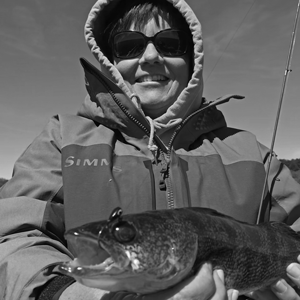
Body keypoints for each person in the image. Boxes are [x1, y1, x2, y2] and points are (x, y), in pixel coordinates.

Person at [1, 0, 300, 299]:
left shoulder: (255, 156)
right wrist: (69, 294)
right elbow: (11, 239)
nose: (151, 56)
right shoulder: (62, 139)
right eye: (129, 45)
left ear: (192, 58)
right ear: (110, 61)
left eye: (170, 43)